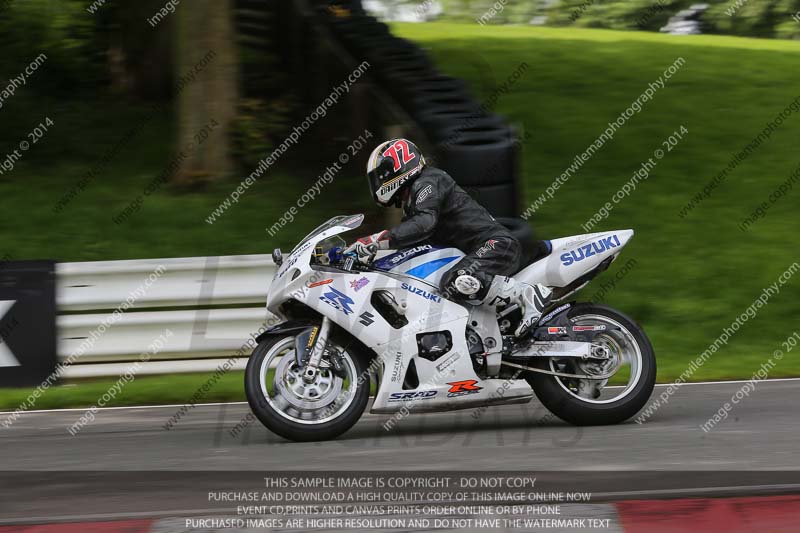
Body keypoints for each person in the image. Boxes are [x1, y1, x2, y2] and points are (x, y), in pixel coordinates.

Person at [345, 138, 552, 337]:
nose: (377, 183)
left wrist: (374, 241)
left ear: (397, 168)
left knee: (456, 279)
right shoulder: (416, 201)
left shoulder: (428, 182)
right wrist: (373, 259)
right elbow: (411, 241)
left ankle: (527, 295)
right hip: (481, 249)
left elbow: (423, 225)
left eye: (379, 176)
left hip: (495, 244)